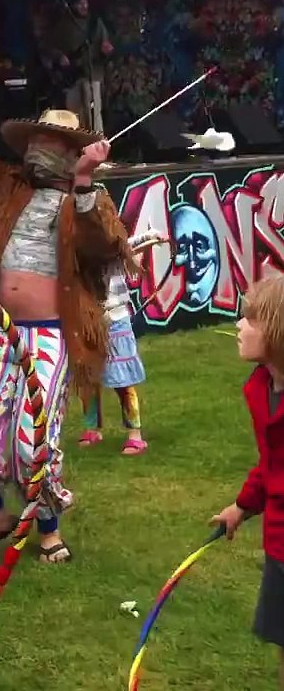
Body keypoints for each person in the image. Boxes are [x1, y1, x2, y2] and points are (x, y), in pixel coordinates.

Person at [0, 49, 137, 565]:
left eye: (57, 143)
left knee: (31, 440)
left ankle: (46, 524)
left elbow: (105, 249)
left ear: (73, 153)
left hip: (51, 336)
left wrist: (83, 185)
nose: (44, 148)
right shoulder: (6, 185)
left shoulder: (87, 200)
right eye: (40, 138)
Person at [212, 276, 284, 689]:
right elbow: (271, 462)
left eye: (249, 319)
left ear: (275, 332)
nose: (238, 326)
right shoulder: (261, 388)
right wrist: (242, 506)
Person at [78, 232, 159, 456]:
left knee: (123, 380)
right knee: (88, 378)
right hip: (90, 321)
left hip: (116, 320)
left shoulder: (113, 250)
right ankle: (91, 428)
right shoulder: (78, 257)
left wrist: (153, 235)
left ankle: (135, 435)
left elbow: (135, 244)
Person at [41, 0, 114, 134]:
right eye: (80, 4)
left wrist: (107, 49)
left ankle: (97, 141)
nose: (84, 7)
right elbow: (47, 46)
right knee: (75, 114)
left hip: (94, 73)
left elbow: (105, 43)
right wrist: (59, 56)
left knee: (95, 113)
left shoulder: (95, 23)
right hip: (73, 76)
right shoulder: (63, 25)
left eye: (85, 3)